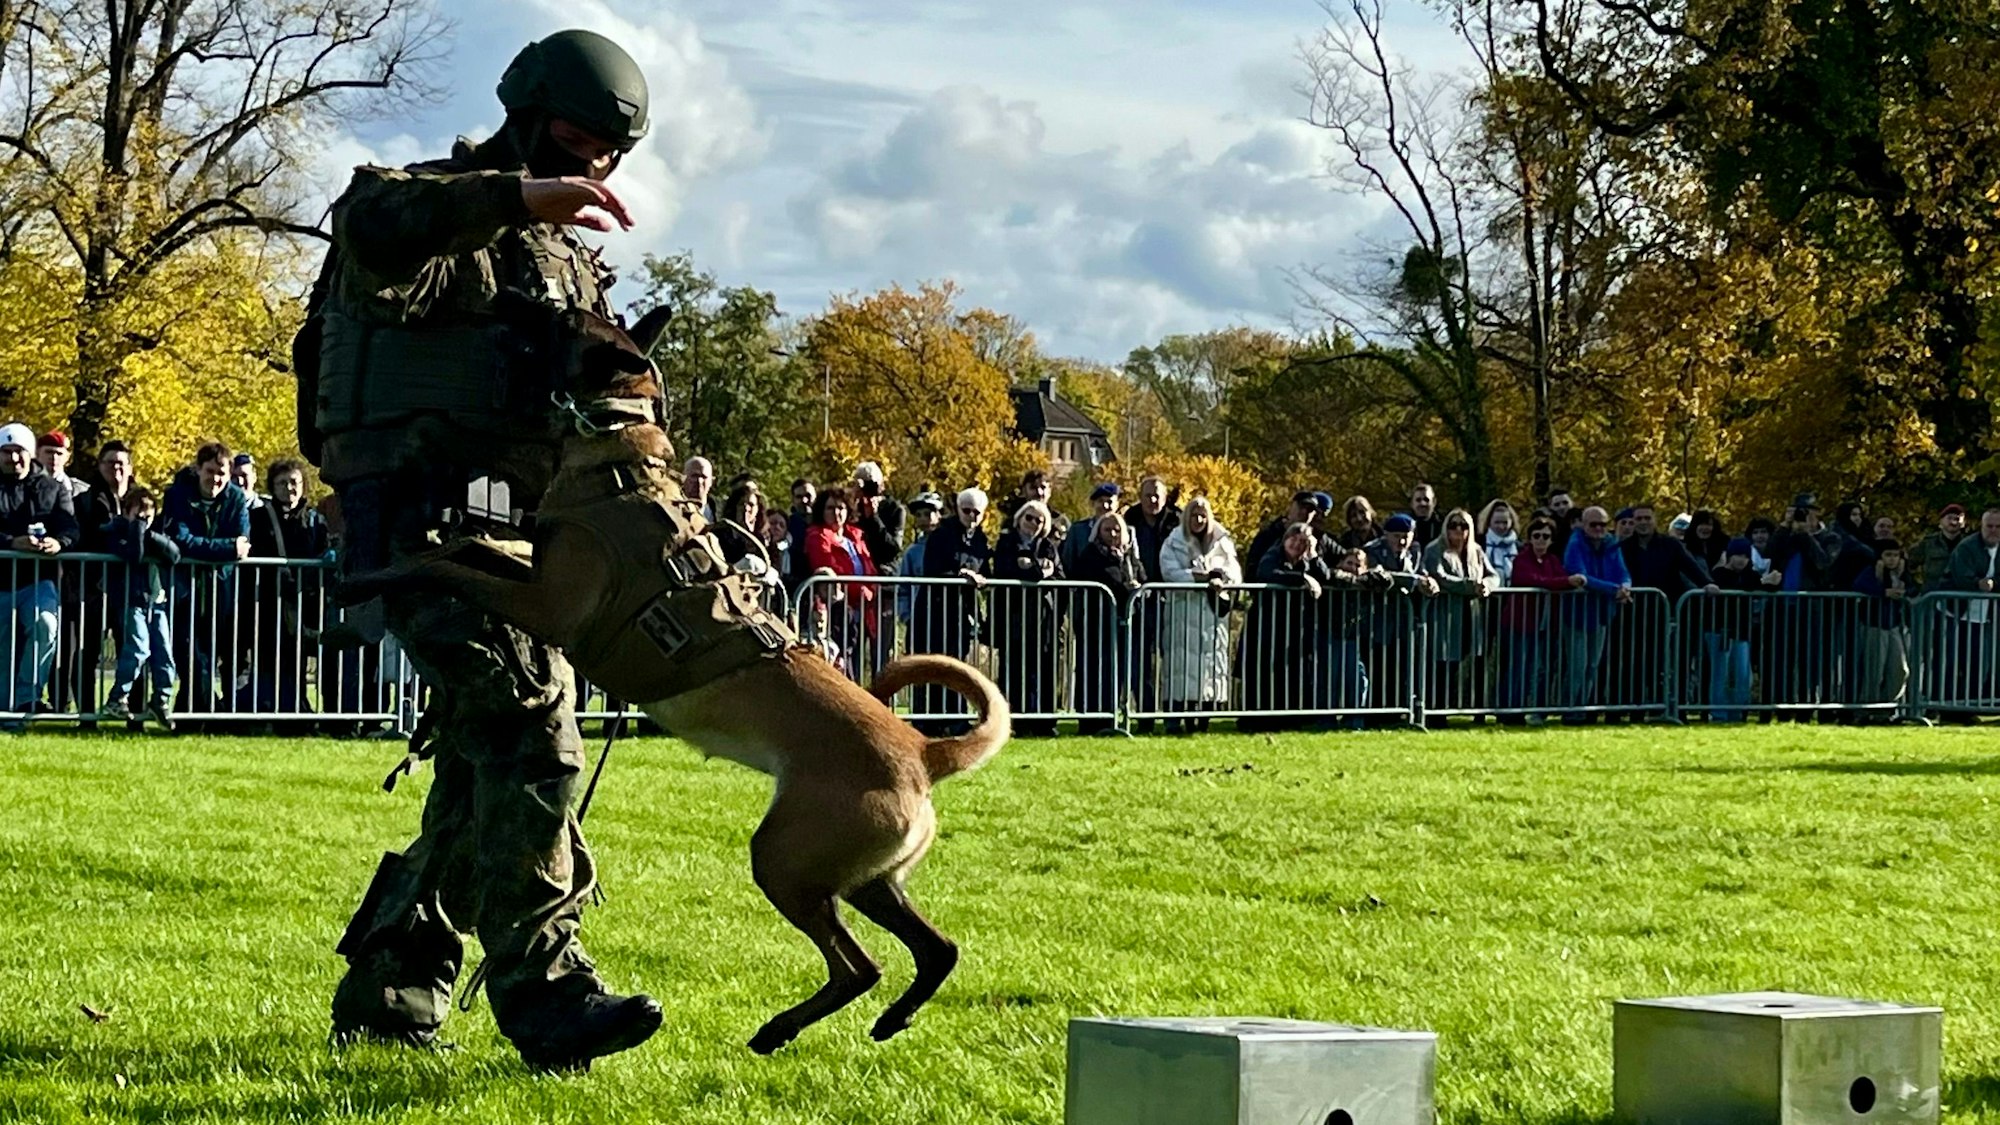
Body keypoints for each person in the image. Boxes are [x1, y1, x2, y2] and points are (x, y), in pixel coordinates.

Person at [303, 28, 663, 1067]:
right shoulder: (424, 203)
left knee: (477, 769)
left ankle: (389, 988)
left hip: (516, 536)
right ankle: (546, 993)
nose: (587, 168)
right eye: (571, 141)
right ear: (523, 114)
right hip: (419, 526)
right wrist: (513, 198)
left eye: (606, 156)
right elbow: (375, 223)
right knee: (528, 734)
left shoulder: (560, 256)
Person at [160, 443, 251, 720]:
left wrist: (214, 548)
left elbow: (243, 541)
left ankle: (206, 714)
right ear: (198, 470)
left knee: (218, 654)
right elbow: (181, 541)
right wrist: (225, 548)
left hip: (222, 589)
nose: (216, 479)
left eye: (222, 473)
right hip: (185, 588)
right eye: (210, 471)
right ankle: (201, 713)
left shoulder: (235, 498)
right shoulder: (177, 496)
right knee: (190, 654)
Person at [0, 422, 78, 727]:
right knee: (3, 644)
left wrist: (60, 542)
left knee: (46, 625)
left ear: (30, 454)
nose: (13, 459)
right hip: (1, 581)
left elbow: (70, 526)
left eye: (18, 452)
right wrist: (10, 543)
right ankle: (6, 712)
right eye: (6, 452)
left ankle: (26, 698)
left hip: (38, 579)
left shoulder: (53, 486)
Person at [245, 458, 333, 715]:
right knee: (265, 659)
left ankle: (294, 710)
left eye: (294, 482)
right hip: (267, 601)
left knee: (297, 659)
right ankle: (264, 710)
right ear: (272, 487)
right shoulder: (258, 518)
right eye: (282, 483)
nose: (289, 488)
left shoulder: (314, 520)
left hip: (301, 602)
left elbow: (322, 552)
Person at [99, 487, 180, 731]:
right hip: (132, 600)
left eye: (149, 514)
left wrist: (150, 534)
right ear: (126, 512)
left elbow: (174, 555)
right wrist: (137, 530)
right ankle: (117, 698)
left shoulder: (158, 532)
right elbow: (134, 555)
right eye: (139, 513)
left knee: (164, 652)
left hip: (157, 601)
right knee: (138, 649)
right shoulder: (115, 530)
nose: (145, 519)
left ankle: (161, 699)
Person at [1158, 496, 1239, 733]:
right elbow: (1169, 571)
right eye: (1194, 515)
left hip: (1212, 615)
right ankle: (1177, 721)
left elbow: (1235, 573)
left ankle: (1204, 721)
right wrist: (1197, 577)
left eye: (1203, 515)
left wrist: (1220, 578)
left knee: (1209, 669)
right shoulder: (1173, 542)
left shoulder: (1222, 542)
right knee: (1180, 669)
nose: (1199, 519)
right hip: (1182, 613)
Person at [913, 488, 993, 729]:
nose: (971, 516)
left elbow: (986, 569)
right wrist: (961, 574)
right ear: (958, 510)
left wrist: (981, 578)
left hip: (961, 612)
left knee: (957, 665)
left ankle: (955, 716)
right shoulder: (942, 535)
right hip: (934, 611)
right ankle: (927, 719)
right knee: (932, 664)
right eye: (966, 511)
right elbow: (933, 569)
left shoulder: (980, 539)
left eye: (976, 512)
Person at [990, 499, 1062, 735]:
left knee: (1043, 669)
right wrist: (1039, 570)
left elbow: (1059, 577)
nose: (1033, 523)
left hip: (1043, 619)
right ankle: (1013, 721)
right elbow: (1005, 569)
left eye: (1039, 520)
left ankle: (1044, 722)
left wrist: (1033, 569)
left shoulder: (1049, 546)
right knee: (1013, 668)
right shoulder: (1006, 542)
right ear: (1019, 519)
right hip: (1014, 617)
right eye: (1029, 518)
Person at [1067, 512, 1142, 733]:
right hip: (1095, 622)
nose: (1113, 534)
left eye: (1117, 529)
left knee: (1116, 671)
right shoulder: (1091, 554)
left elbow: (1143, 577)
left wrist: (1137, 586)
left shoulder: (1129, 557)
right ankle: (1089, 720)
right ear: (1098, 531)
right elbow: (1087, 579)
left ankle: (1112, 717)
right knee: (1091, 669)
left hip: (1121, 622)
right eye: (1107, 529)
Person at [1423, 509, 1499, 717]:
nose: (1458, 530)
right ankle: (1436, 712)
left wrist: (1486, 586)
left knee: (1469, 663)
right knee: (1442, 665)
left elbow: (1494, 575)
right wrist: (1469, 586)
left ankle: (1473, 710)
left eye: (1464, 526)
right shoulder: (1435, 549)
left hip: (1472, 616)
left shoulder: (1477, 551)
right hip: (1444, 615)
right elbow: (1439, 576)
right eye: (1453, 525)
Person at [1561, 506, 1632, 721]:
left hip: (1602, 614)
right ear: (1583, 524)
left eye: (1603, 524)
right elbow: (1582, 576)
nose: (1599, 528)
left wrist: (1626, 587)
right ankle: (1569, 711)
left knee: (1592, 665)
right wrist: (1614, 590)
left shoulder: (1612, 544)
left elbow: (1623, 572)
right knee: (1578, 666)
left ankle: (1581, 710)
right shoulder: (1575, 545)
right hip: (1577, 615)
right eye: (1594, 524)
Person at [1122, 476, 1179, 732]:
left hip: (1171, 599)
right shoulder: (1128, 520)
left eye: (1157, 495)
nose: (1153, 500)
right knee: (1139, 661)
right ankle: (1144, 716)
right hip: (1139, 600)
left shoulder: (1177, 521)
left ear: (1165, 498)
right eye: (1148, 495)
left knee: (1173, 661)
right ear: (1140, 496)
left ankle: (1173, 717)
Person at [802, 486, 877, 678]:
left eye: (841, 508)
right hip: (836, 610)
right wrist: (860, 591)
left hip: (863, 610)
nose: (837, 513)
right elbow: (828, 570)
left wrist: (871, 590)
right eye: (830, 508)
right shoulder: (817, 536)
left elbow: (869, 568)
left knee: (860, 665)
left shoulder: (855, 537)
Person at [1502, 517, 1569, 720]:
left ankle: (1539, 711)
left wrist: (1561, 581)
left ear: (1551, 540)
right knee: (1518, 668)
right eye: (1536, 536)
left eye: (1546, 536)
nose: (1541, 540)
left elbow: (1558, 578)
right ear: (1529, 539)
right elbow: (1531, 580)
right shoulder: (1521, 559)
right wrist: (1563, 582)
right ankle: (1511, 713)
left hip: (1545, 623)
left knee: (1542, 668)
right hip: (1520, 623)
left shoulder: (1553, 561)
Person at [1703, 537, 1761, 722]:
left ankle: (1738, 712)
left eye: (1745, 556)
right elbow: (1737, 587)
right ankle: (1719, 713)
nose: (1741, 560)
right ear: (1729, 556)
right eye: (1737, 555)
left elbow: (1761, 586)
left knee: (1743, 675)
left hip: (1741, 632)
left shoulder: (1749, 574)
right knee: (1721, 674)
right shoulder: (1719, 574)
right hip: (1719, 630)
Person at [1852, 537, 1910, 713]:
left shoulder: (1901, 572)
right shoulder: (1871, 571)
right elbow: (1859, 585)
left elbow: (1913, 588)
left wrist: (1904, 588)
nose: (1892, 559)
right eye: (1888, 555)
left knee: (1900, 670)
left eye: (1895, 555)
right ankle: (1868, 708)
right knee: (1874, 670)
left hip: (1894, 625)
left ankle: (1887, 706)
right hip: (1874, 624)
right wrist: (1883, 591)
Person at [1246, 491, 1321, 577]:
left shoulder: (1317, 539)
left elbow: (1325, 577)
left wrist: (1314, 557)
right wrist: (1302, 578)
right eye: (1302, 507)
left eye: (1310, 510)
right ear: (1290, 507)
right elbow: (1256, 569)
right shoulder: (1268, 535)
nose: (1305, 512)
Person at [850, 461, 905, 573]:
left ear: (881, 485)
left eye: (872, 485)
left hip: (884, 574)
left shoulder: (894, 509)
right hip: (858, 572)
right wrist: (852, 502)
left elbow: (893, 549)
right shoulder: (851, 509)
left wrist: (873, 517)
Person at [1061, 482, 1121, 575]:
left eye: (1109, 502)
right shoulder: (1078, 530)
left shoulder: (1127, 531)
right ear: (1093, 504)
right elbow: (1068, 561)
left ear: (1117, 504)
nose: (1105, 506)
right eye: (1100, 501)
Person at [1915, 504, 1968, 595]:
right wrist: (1916, 588)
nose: (1953, 522)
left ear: (1963, 523)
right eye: (1949, 518)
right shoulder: (1928, 543)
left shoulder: (1969, 545)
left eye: (1957, 519)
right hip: (1932, 596)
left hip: (1960, 597)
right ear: (1941, 521)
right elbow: (1909, 564)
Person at [1476, 500, 1521, 582]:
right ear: (1488, 522)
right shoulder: (1480, 543)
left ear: (1511, 522)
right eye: (1497, 522)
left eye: (1505, 523)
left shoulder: (1519, 547)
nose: (1501, 527)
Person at [682, 456, 715, 521]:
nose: (699, 481)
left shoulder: (720, 513)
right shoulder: (670, 510)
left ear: (711, 482)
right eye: (694, 476)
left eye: (704, 477)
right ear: (683, 478)